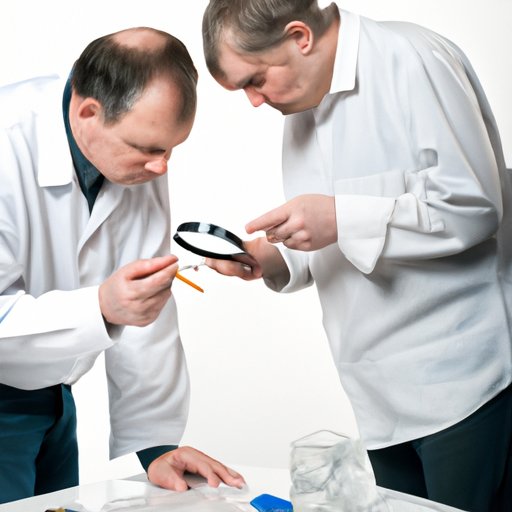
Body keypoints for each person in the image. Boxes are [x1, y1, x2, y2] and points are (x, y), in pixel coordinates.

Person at [201, 1, 512, 510]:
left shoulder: (412, 59)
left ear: (300, 36)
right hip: (376, 398)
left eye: (254, 80)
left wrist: (339, 217)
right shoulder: (301, 102)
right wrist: (269, 258)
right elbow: (332, 234)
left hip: (466, 386)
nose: (254, 101)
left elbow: (474, 206)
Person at [0, 27, 245, 504]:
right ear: (87, 113)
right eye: (149, 149)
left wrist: (156, 447)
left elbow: (145, 312)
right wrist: (100, 307)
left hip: (53, 398)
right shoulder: (6, 145)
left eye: (171, 149)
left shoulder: (134, 155)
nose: (161, 167)